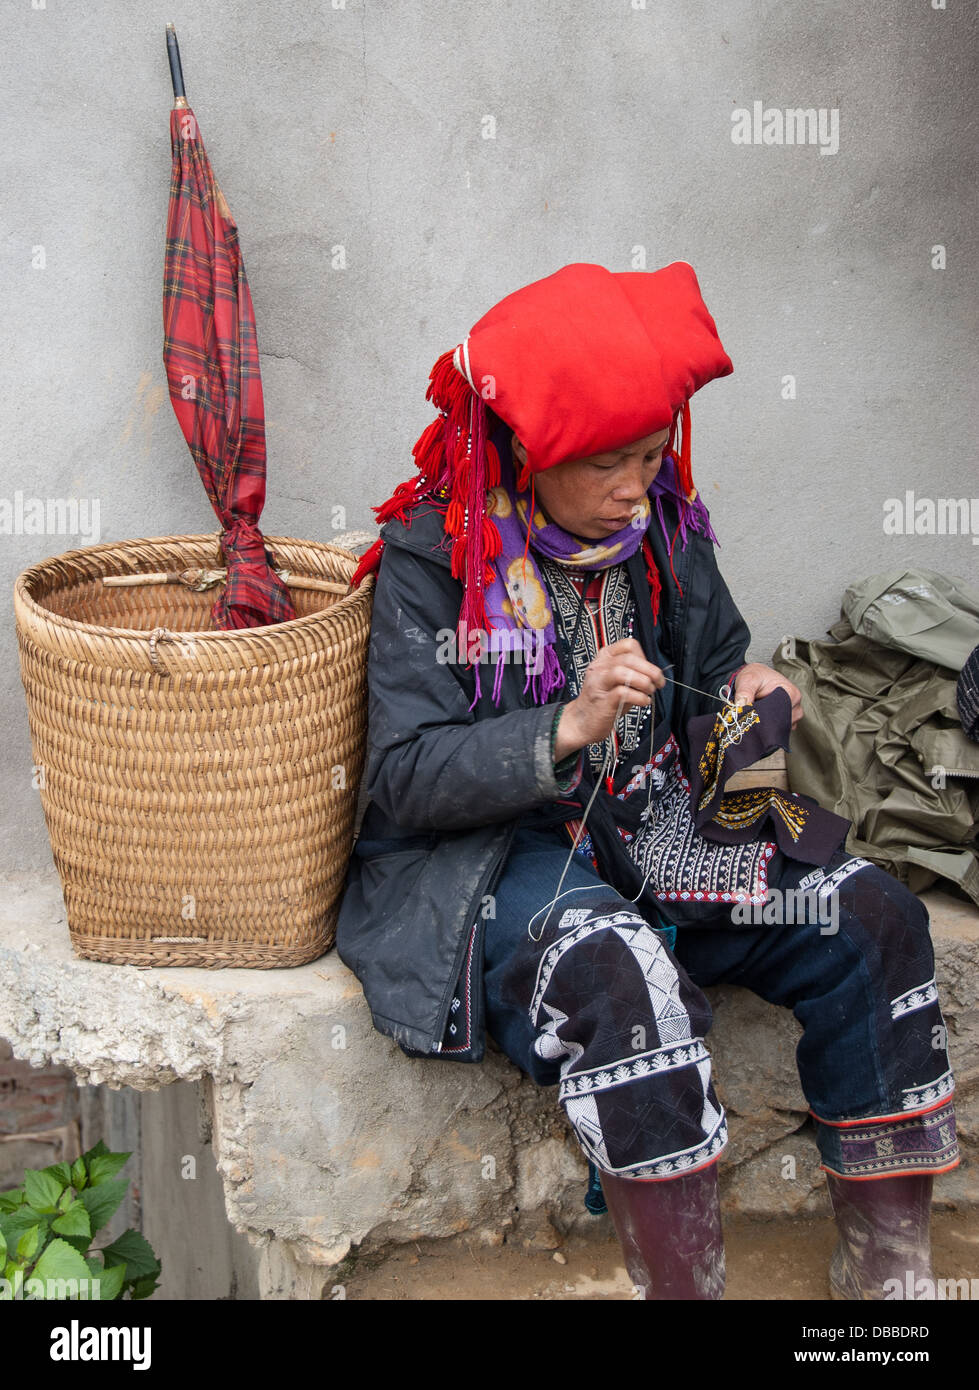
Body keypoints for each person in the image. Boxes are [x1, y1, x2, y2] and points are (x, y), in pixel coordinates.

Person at [336, 261, 959, 1300]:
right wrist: (568, 723)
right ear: (530, 451)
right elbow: (403, 778)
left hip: (662, 825)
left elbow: (716, 667)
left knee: (870, 911)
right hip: (500, 857)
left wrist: (749, 696)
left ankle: (887, 1269)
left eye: (652, 451)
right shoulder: (433, 558)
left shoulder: (660, 524)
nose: (639, 482)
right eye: (607, 463)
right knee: (611, 970)